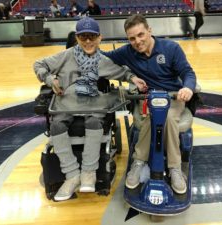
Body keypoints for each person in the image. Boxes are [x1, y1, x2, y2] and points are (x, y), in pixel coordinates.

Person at [33, 17, 146, 201]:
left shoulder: (103, 60)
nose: (87, 41)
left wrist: (133, 79)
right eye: (83, 37)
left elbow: (123, 72)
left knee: (94, 122)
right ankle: (71, 175)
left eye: (91, 37)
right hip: (66, 102)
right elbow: (38, 64)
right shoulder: (66, 56)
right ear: (77, 38)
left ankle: (88, 172)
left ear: (99, 38)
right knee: (56, 127)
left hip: (92, 103)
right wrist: (49, 79)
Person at [103, 14, 196, 194]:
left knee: (166, 116)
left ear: (149, 31)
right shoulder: (127, 52)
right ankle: (138, 161)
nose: (137, 41)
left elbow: (187, 72)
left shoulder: (171, 48)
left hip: (172, 98)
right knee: (152, 116)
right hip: (148, 99)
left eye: (141, 35)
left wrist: (188, 88)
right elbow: (104, 57)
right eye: (132, 38)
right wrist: (82, 47)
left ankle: (174, 167)